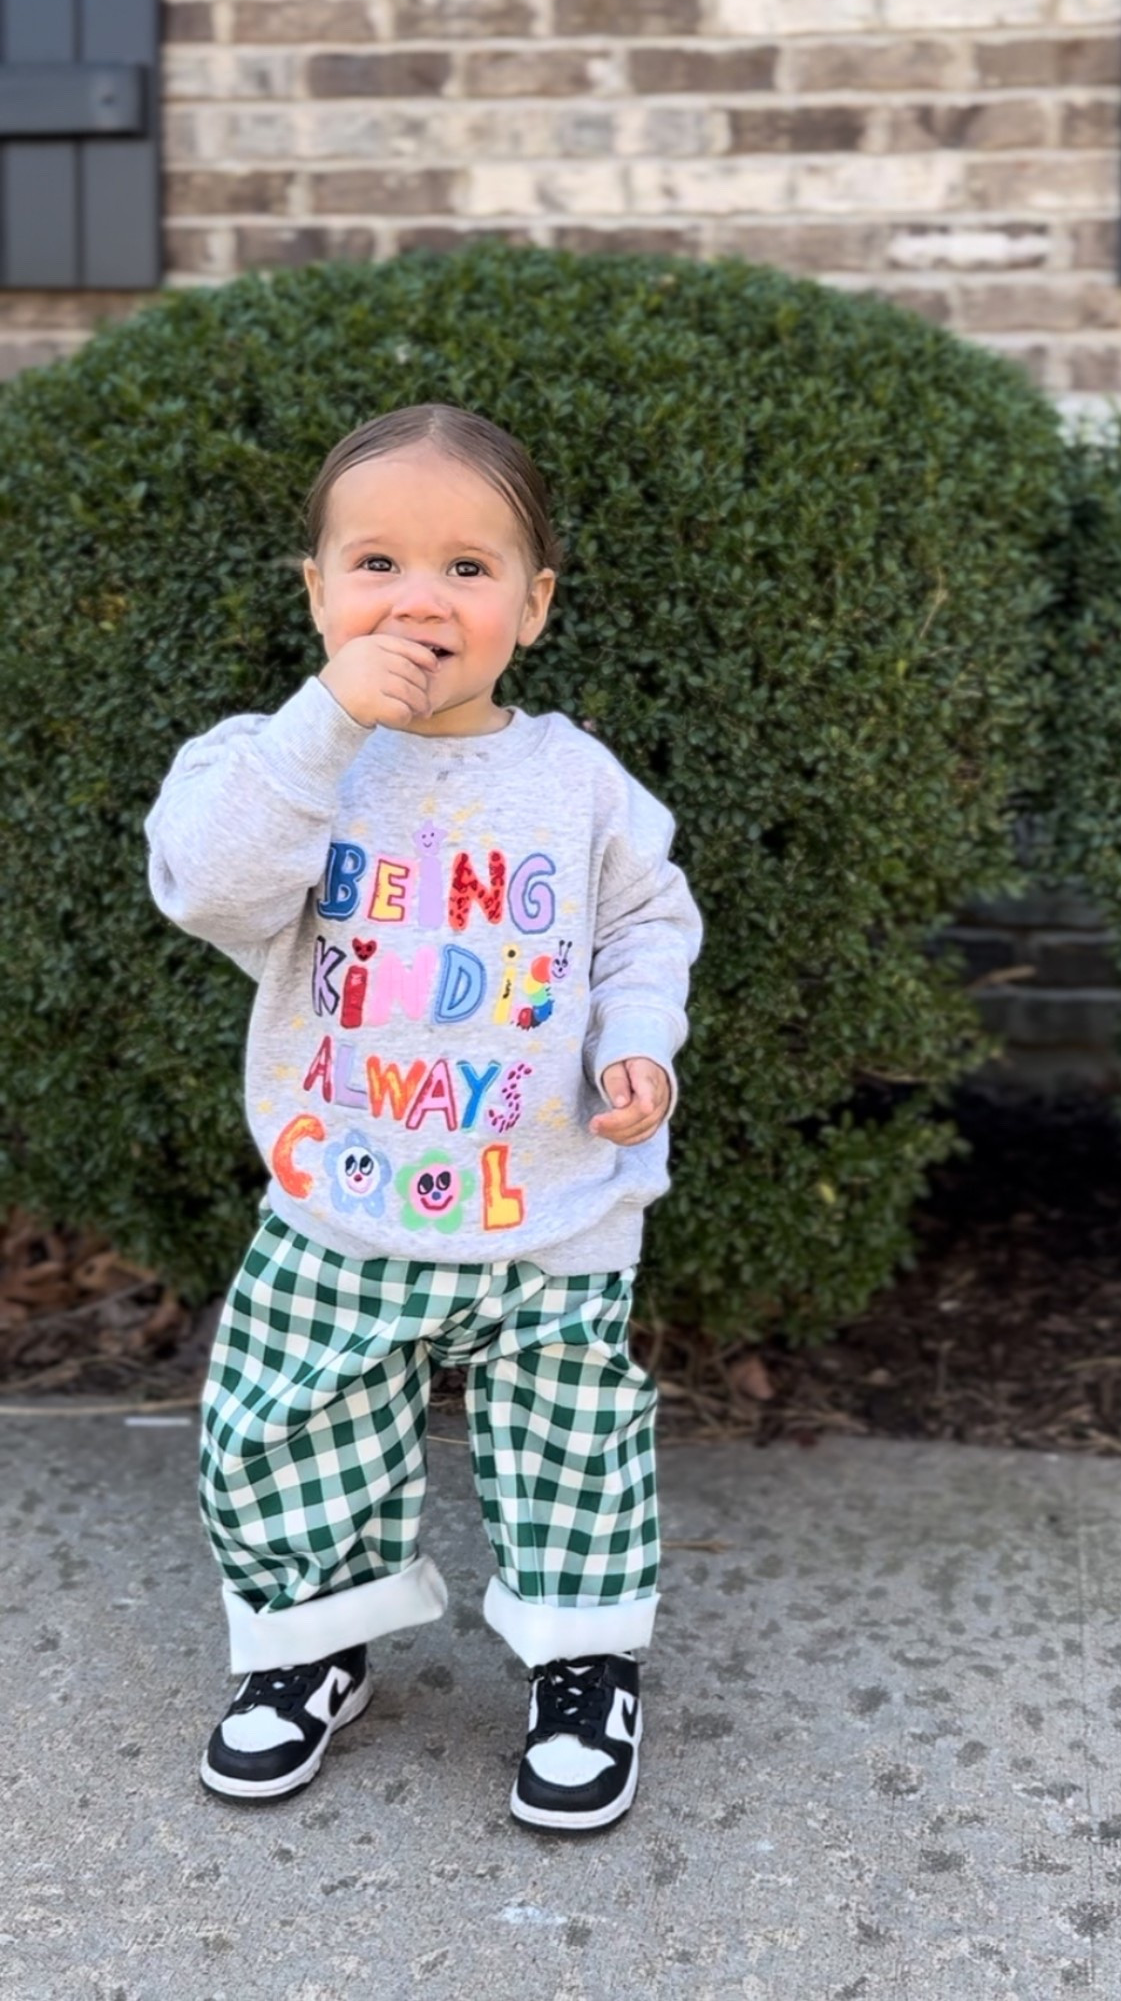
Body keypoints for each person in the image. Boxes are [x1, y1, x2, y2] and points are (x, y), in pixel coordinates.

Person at [144, 401, 702, 1832]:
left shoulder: (576, 778)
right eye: (379, 562)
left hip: (553, 1201)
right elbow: (206, 891)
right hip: (343, 1189)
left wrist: (637, 1038)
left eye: (469, 567)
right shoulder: (273, 762)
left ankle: (585, 1668)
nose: (422, 599)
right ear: (319, 592)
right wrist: (331, 720)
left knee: (575, 1441)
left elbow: (647, 920)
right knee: (284, 1425)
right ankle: (306, 1650)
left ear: (535, 603)